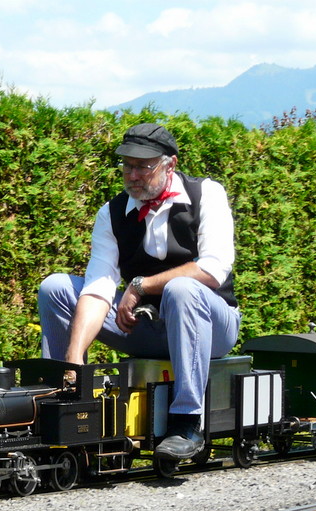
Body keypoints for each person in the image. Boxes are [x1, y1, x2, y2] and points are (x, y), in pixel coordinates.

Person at [38, 123, 241, 461]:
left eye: (142, 167)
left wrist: (140, 286)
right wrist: (73, 358)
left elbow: (213, 269)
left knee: (182, 288)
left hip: (211, 327)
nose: (132, 175)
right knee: (56, 287)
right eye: (127, 166)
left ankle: (187, 422)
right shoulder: (112, 213)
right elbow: (98, 288)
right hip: (144, 328)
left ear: (169, 165)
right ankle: (65, 401)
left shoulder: (207, 194)